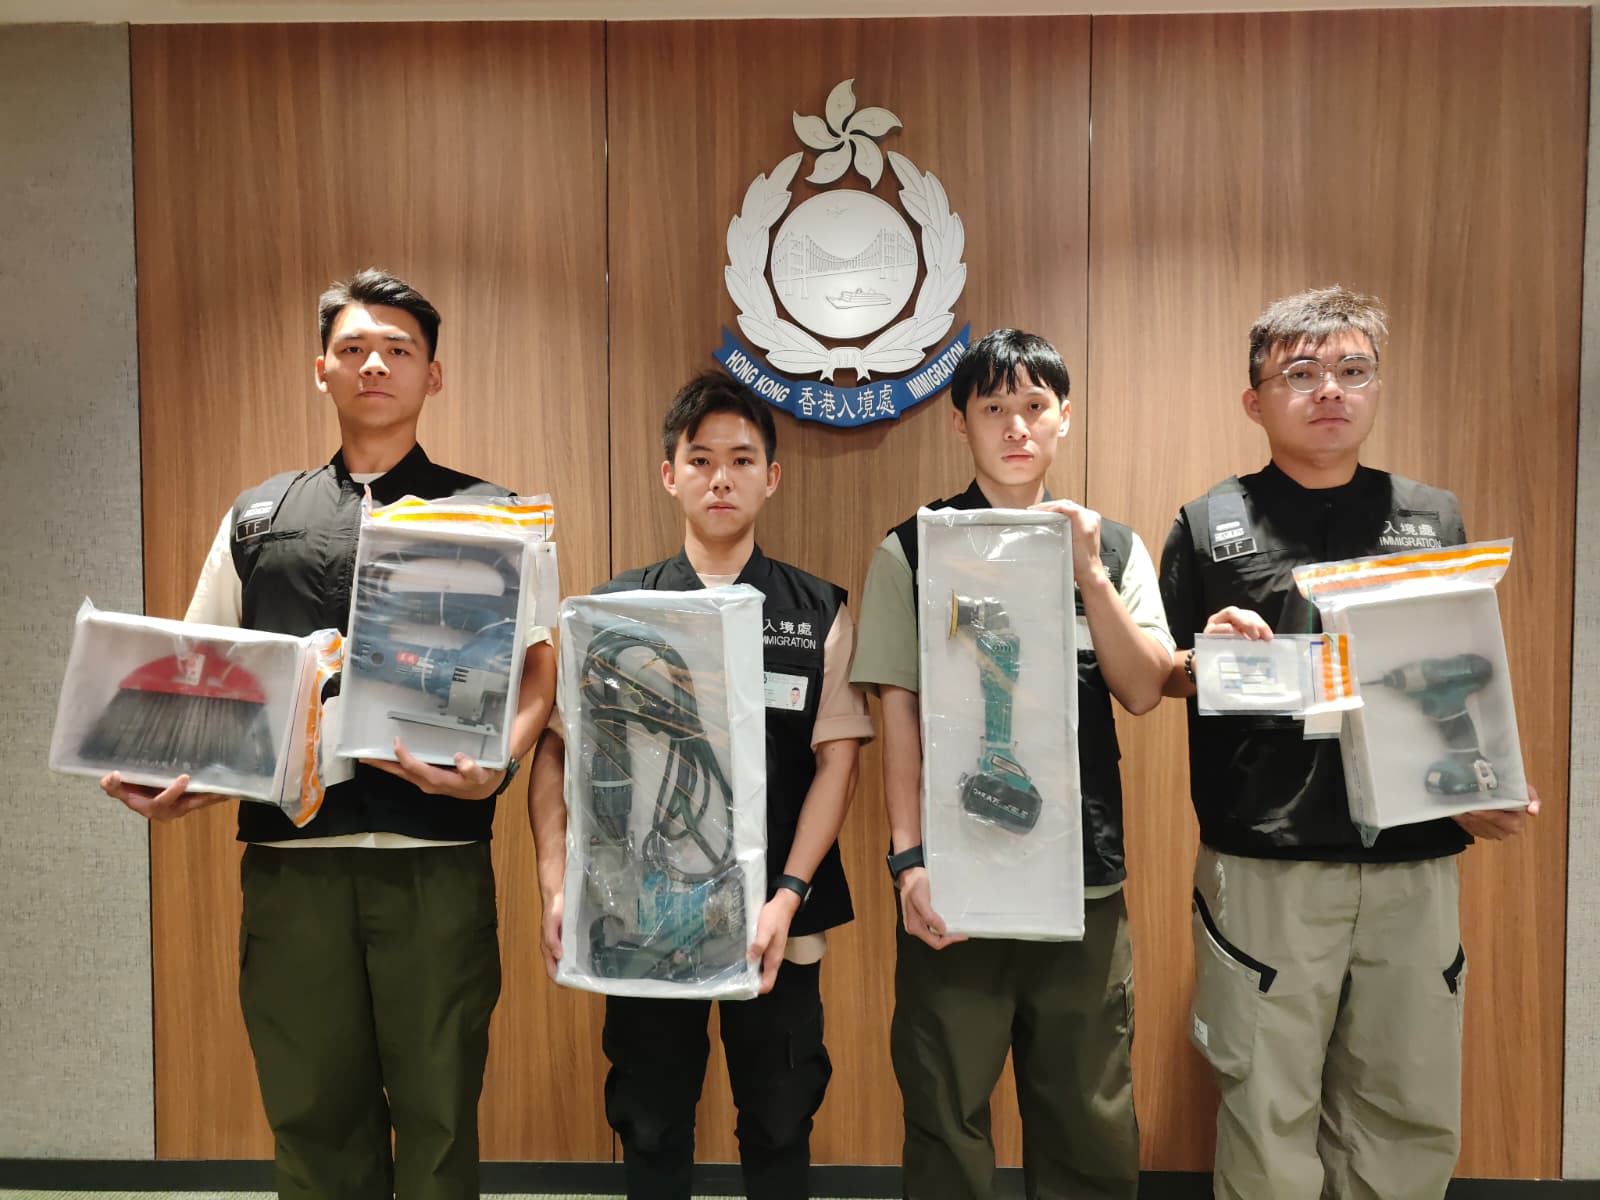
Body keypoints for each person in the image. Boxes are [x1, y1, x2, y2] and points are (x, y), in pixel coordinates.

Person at [102, 268, 555, 1200]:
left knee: (439, 1111)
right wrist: (168, 777)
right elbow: (203, 675)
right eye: (352, 349)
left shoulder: (491, 514)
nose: (374, 365)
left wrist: (498, 767)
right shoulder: (258, 518)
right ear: (322, 370)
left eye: (398, 350)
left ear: (433, 374)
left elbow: (537, 671)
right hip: (292, 865)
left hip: (434, 860)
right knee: (311, 1111)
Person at [1157, 284, 1539, 1200]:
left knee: (1408, 1106)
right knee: (1266, 1107)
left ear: (1376, 388)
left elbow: (1464, 675)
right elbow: (1159, 674)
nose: (1330, 389)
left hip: (1414, 865)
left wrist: (1484, 784)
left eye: (1353, 370)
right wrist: (1204, 655)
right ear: (1255, 401)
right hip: (1267, 865)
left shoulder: (1431, 518)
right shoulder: (1208, 525)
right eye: (1301, 373)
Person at [530, 370, 873, 1199]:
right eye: (701, 459)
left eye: (742, 460)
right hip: (645, 916)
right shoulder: (615, 611)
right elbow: (557, 751)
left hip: (779, 920)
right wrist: (556, 882)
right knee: (650, 1121)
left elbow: (838, 761)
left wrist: (788, 895)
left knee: (781, 1119)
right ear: (670, 474)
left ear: (771, 477)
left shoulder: (815, 612)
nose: (721, 478)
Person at [849, 328, 1173, 1200]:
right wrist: (910, 862)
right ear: (960, 423)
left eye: (1035, 405)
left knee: (1088, 1116)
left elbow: (1145, 689)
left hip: (1083, 883)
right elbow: (898, 713)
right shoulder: (912, 549)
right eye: (993, 407)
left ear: (1065, 417)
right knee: (945, 1110)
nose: (1016, 426)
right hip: (958, 884)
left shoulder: (1115, 548)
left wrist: (1088, 573)